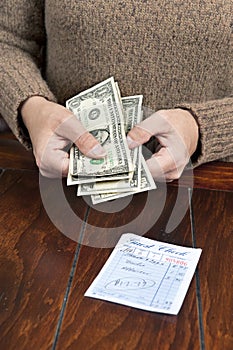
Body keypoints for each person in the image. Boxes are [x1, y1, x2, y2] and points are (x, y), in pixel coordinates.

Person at [0, 1, 232, 180]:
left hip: (211, 184)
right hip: (58, 178)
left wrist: (202, 128)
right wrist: (32, 108)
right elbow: (8, 40)